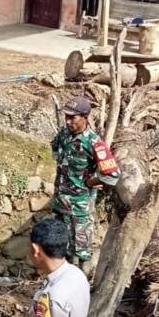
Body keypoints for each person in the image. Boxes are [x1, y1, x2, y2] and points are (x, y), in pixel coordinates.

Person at [50, 96, 120, 270]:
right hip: (60, 203)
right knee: (62, 245)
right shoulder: (64, 134)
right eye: (66, 116)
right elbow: (55, 148)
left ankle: (83, 284)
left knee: (81, 250)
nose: (67, 121)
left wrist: (91, 181)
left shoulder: (94, 143)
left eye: (72, 117)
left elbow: (113, 175)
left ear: (85, 117)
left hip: (79, 206)